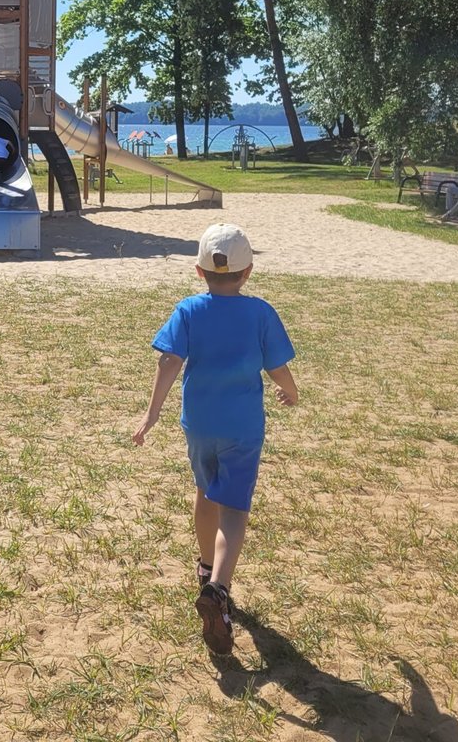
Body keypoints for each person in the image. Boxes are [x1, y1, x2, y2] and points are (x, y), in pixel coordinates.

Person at [132, 223, 299, 656]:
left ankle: (205, 569)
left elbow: (169, 361)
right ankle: (220, 590)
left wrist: (151, 415)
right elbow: (277, 367)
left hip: (199, 423)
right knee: (235, 510)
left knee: (206, 493)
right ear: (247, 272)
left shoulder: (188, 310)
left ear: (198, 272)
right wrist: (291, 389)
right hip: (242, 427)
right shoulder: (260, 312)